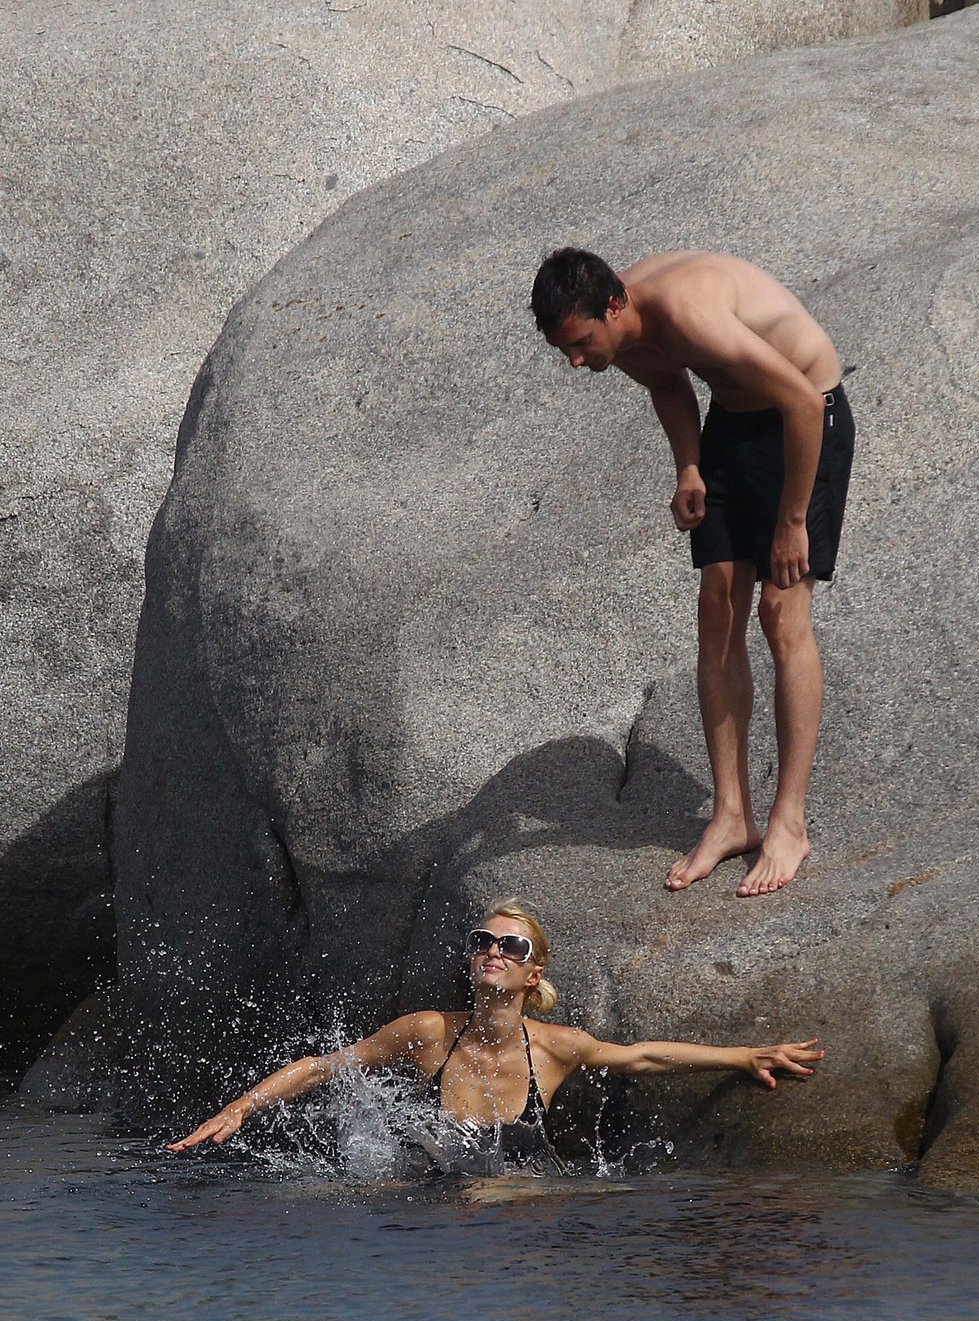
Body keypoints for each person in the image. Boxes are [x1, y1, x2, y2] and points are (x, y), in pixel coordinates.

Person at [531, 248, 855, 897]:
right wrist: (689, 466)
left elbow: (799, 399)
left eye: (581, 343)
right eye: (564, 349)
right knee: (718, 610)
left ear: (612, 307)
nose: (576, 361)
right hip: (733, 427)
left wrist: (792, 520)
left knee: (780, 613)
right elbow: (666, 382)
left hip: (803, 421)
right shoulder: (622, 332)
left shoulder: (686, 312)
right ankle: (732, 816)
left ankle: (789, 822)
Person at [168, 898, 823, 1172]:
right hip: (429, 1199)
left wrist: (744, 1056)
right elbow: (323, 1066)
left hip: (515, 1203)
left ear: (533, 973)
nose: (493, 951)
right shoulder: (428, 1032)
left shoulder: (555, 1047)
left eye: (511, 946)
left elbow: (643, 1056)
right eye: (483, 941)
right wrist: (240, 1108)